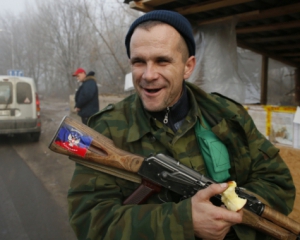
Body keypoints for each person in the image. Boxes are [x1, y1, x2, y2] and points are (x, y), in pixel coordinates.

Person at [67, 10, 295, 240]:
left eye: (162, 61)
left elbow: (278, 183)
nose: (148, 75)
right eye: (139, 62)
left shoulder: (227, 115)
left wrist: (229, 219)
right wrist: (183, 221)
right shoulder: (101, 128)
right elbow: (89, 222)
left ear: (188, 66)